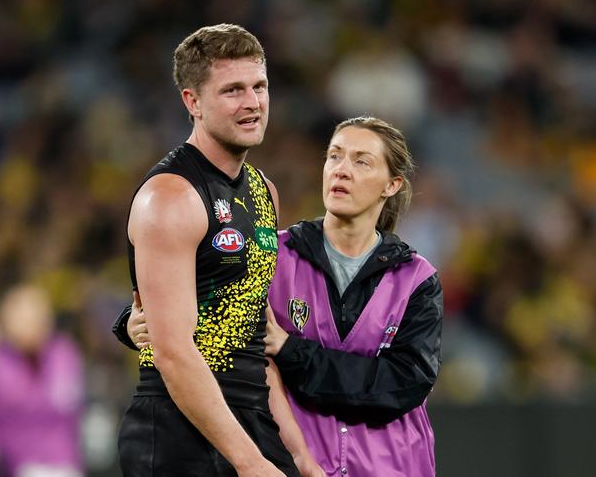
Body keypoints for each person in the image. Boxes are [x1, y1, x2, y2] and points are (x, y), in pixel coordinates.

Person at [117, 116, 444, 476]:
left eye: (361, 161)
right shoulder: (273, 254)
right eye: (334, 156)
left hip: (394, 467)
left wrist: (290, 351)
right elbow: (200, 310)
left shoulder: (416, 280)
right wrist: (130, 324)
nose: (342, 170)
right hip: (298, 465)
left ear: (392, 184)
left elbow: (400, 386)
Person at [114, 24, 321, 477]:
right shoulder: (170, 197)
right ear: (192, 102)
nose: (252, 103)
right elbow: (173, 352)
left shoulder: (265, 192)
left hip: (250, 423)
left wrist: (301, 458)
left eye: (259, 87)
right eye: (232, 91)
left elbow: (256, 338)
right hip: (176, 432)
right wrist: (250, 465)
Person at [0, 283, 85, 477]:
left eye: (40, 316)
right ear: (6, 320)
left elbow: (69, 405)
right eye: (25, 318)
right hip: (6, 466)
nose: (35, 324)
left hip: (61, 465)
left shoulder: (63, 354)